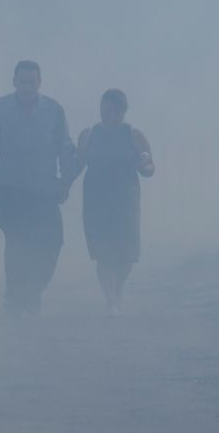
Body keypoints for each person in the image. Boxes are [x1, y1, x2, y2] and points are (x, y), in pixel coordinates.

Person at [0, 61, 77, 317]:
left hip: (45, 190)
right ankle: (16, 297)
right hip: (12, 190)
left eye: (32, 81)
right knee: (17, 244)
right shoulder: (0, 109)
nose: (27, 86)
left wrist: (66, 181)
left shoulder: (53, 110)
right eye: (22, 81)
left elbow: (64, 146)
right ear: (14, 82)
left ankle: (32, 290)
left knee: (52, 243)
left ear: (40, 83)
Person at [75, 89, 154, 317]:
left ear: (124, 112)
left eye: (116, 111)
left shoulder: (134, 136)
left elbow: (150, 168)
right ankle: (111, 301)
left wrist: (143, 165)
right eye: (106, 109)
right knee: (103, 253)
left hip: (125, 203)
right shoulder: (88, 135)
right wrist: (62, 185)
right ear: (100, 108)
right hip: (96, 203)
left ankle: (117, 289)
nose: (110, 114)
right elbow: (78, 164)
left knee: (126, 255)